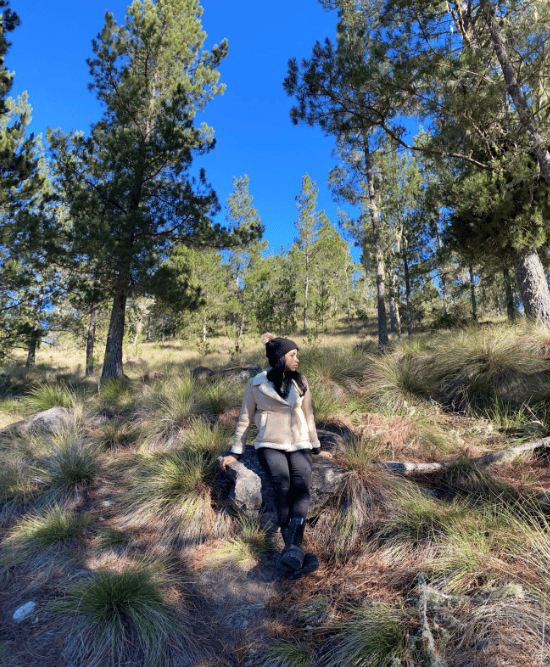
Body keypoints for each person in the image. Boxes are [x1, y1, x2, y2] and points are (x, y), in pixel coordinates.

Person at [221, 333, 333, 577]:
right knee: (282, 484)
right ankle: (295, 548)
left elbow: (309, 415)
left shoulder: (300, 381)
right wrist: (236, 452)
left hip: (300, 442)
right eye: (293, 355)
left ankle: (293, 549)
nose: (297, 359)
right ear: (280, 357)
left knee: (301, 484)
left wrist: (315, 446)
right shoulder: (255, 384)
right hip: (269, 443)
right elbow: (245, 419)